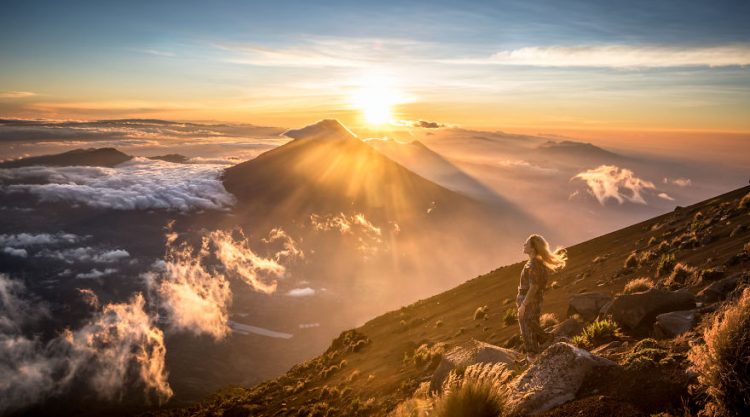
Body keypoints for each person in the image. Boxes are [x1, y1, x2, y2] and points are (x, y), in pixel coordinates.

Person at [517, 234, 567, 360]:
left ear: (533, 248)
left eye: (526, 243)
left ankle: (537, 349)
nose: (524, 245)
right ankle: (534, 353)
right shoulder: (536, 262)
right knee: (529, 324)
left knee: (527, 324)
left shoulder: (534, 264)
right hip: (530, 298)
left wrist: (523, 304)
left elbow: (534, 287)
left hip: (529, 299)